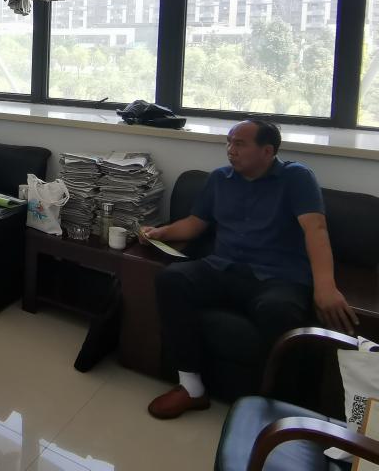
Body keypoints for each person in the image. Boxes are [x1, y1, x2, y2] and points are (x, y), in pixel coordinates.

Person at [141, 119, 358, 419]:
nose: (230, 150)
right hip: (223, 268)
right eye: (229, 143)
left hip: (278, 277)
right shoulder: (220, 179)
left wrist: (325, 286)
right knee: (172, 280)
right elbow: (194, 224)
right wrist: (159, 232)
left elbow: (316, 229)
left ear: (267, 151)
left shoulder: (296, 177)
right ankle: (191, 388)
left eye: (240, 144)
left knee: (279, 311)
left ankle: (271, 407)